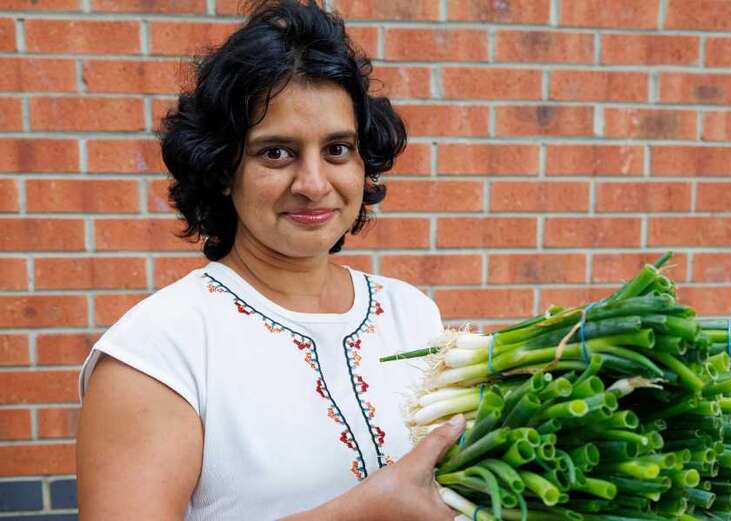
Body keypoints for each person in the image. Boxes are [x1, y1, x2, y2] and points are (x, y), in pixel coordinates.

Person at [76, 1, 466, 519]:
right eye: (275, 153)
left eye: (337, 149)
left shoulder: (410, 314)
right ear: (221, 169)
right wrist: (360, 512)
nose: (313, 184)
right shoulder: (162, 351)